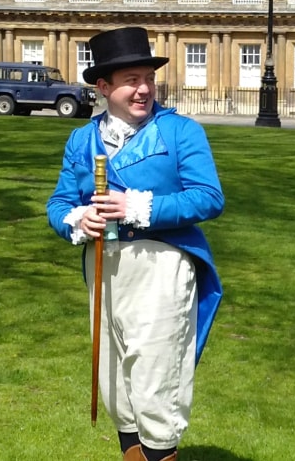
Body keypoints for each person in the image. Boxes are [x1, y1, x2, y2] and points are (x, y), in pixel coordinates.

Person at [46, 27, 225, 461]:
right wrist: (77, 218)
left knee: (155, 376)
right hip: (104, 265)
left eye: (148, 78)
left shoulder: (181, 132)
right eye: (131, 80)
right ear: (103, 86)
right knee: (114, 381)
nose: (143, 89)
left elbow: (209, 197)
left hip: (161, 265)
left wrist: (138, 206)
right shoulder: (81, 140)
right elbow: (59, 201)